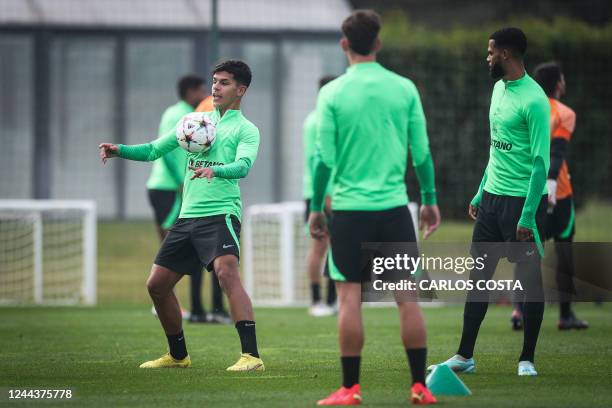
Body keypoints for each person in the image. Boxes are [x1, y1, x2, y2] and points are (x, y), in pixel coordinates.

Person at [310, 10, 440, 405]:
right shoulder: (404, 88)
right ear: (379, 44)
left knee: (349, 298)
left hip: (349, 211)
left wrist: (317, 207)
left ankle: (350, 390)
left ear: (344, 44)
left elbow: (323, 161)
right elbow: (421, 154)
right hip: (394, 209)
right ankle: (420, 386)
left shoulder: (331, 93)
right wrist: (430, 200)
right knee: (407, 298)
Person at [99, 60, 264, 372]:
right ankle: (178, 356)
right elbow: (152, 150)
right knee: (157, 285)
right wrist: (119, 149)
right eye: (214, 81)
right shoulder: (194, 122)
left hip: (221, 213)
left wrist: (215, 170)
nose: (215, 87)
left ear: (241, 90)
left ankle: (251, 357)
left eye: (225, 82)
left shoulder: (246, 129)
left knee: (227, 273)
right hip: (187, 217)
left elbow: (243, 166)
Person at [430, 27, 550, 377]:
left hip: (521, 204)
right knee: (478, 277)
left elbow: (540, 163)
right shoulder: (498, 89)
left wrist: (527, 215)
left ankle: (527, 358)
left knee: (529, 281)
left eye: (491, 51)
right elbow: (496, 148)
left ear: (506, 55)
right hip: (493, 201)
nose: (487, 57)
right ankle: (464, 355)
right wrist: (481, 191)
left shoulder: (535, 100)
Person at [510, 62, 588, 331]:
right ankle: (565, 315)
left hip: (527, 189)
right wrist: (552, 184)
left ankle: (519, 311)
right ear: (557, 84)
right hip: (559, 193)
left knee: (527, 250)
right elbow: (556, 152)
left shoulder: (525, 106)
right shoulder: (564, 113)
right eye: (563, 79)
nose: (565, 84)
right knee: (564, 252)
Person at [303, 75, 337, 317]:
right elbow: (317, 161)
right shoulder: (318, 122)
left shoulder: (317, 119)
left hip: (328, 192)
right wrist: (325, 195)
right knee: (319, 247)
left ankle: (331, 300)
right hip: (322, 193)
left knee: (335, 247)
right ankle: (317, 300)